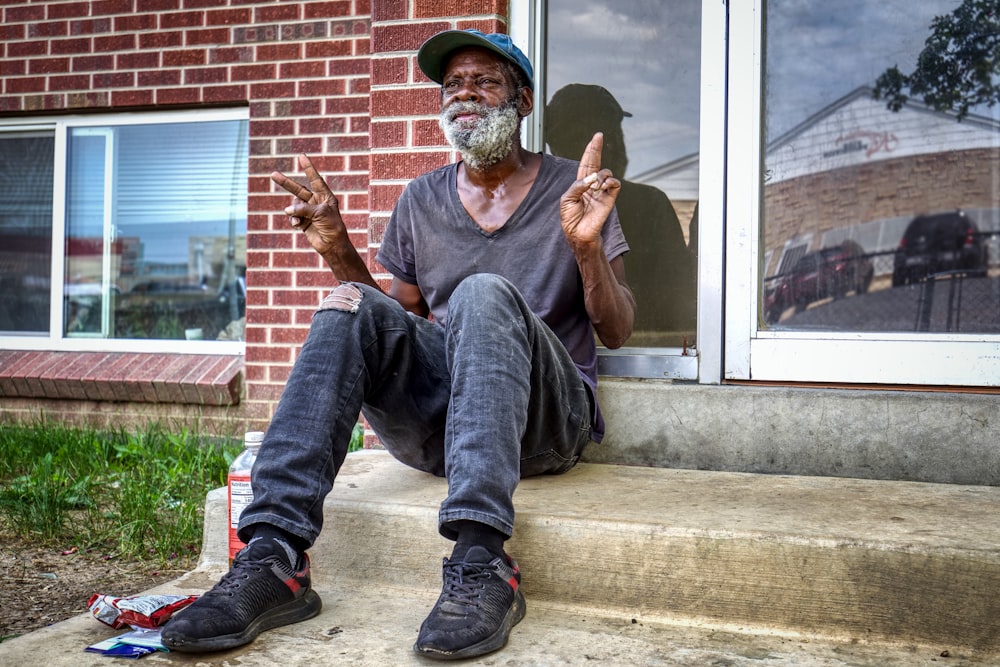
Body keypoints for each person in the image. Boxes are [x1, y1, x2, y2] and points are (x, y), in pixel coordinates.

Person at [161, 29, 635, 660]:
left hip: (546, 425)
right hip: (446, 429)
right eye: (452, 85)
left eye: (485, 81)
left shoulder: (569, 190)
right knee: (351, 305)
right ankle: (273, 558)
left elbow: (617, 329)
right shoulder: (420, 199)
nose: (463, 94)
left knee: (481, 293)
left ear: (522, 103)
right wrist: (335, 246)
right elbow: (392, 325)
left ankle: (481, 558)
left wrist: (585, 248)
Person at [545, 83, 696, 342]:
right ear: (557, 144)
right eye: (602, 138)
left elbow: (676, 302)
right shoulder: (536, 205)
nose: (615, 147)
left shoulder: (650, 204)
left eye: (617, 136)